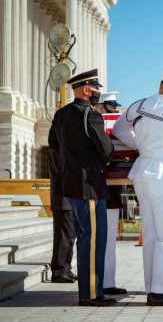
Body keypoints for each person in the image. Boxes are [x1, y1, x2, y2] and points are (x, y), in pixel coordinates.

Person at [112, 72, 163, 306]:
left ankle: (153, 287)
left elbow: (119, 130)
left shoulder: (139, 105)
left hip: (141, 171)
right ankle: (162, 292)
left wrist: (140, 145)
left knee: (149, 234)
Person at [48, 69, 116, 307]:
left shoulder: (62, 114)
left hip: (72, 185)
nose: (98, 93)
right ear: (87, 90)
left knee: (85, 238)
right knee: (93, 240)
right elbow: (106, 150)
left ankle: (90, 291)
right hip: (90, 187)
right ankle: (91, 294)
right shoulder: (91, 115)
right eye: (96, 89)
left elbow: (53, 145)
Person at [95, 92, 127, 296]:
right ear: (100, 106)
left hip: (111, 193)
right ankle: (103, 282)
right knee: (103, 240)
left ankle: (108, 280)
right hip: (101, 191)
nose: (115, 110)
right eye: (110, 106)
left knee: (109, 241)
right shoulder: (95, 124)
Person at [49, 148, 77, 284]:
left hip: (68, 198)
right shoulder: (58, 152)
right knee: (63, 237)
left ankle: (66, 268)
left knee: (70, 237)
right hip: (63, 199)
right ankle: (58, 271)